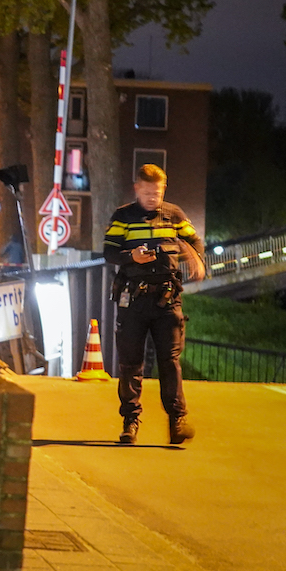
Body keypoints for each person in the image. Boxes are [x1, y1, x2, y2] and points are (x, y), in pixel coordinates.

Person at [103, 164, 205, 445]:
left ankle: (177, 421)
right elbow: (109, 252)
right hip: (133, 299)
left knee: (170, 362)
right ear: (137, 188)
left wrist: (195, 257)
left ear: (164, 189)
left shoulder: (174, 215)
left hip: (167, 299)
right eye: (147, 192)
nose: (152, 197)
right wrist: (131, 257)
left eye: (157, 192)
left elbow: (195, 243)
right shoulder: (123, 217)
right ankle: (130, 421)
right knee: (130, 364)